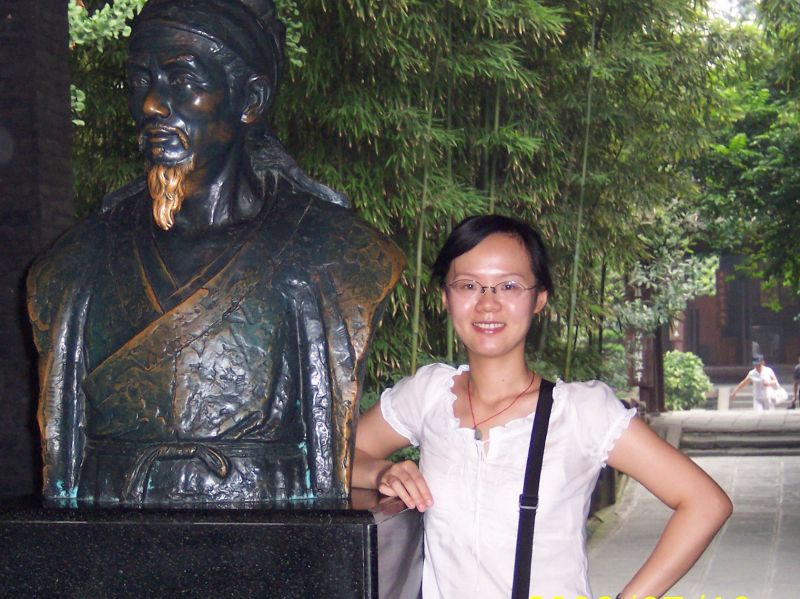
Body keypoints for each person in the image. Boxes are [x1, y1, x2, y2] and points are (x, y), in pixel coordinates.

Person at [27, 0, 404, 506]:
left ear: (251, 99)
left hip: (265, 523)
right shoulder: (77, 261)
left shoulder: (333, 249)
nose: (152, 105)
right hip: (111, 518)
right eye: (141, 81)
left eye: (183, 80)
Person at [353, 215, 732, 599]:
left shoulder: (581, 413)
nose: (487, 303)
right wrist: (380, 471)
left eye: (509, 286)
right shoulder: (428, 396)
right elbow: (339, 458)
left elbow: (705, 502)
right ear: (445, 298)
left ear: (539, 299)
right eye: (468, 285)